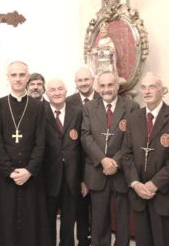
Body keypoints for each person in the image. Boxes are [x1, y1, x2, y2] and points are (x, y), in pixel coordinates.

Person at [122, 72, 169, 246]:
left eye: (151, 86)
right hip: (140, 195)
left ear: (163, 90)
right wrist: (135, 183)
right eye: (143, 87)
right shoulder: (133, 118)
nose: (146, 91)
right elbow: (126, 154)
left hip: (166, 196)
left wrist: (154, 184)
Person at [0, 61, 50, 246]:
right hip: (4, 176)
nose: (18, 79)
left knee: (30, 221)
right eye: (14, 75)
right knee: (5, 221)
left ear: (28, 78)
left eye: (22, 75)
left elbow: (41, 142)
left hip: (31, 176)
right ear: (8, 78)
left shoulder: (37, 107)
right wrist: (10, 171)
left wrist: (29, 170)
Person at [81, 71, 139, 246]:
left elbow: (133, 138)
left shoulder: (131, 107)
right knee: (99, 218)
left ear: (117, 86)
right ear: (97, 87)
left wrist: (116, 162)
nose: (106, 89)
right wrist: (103, 160)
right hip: (97, 169)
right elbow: (85, 136)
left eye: (110, 85)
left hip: (122, 170)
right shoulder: (89, 107)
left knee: (122, 217)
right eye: (103, 85)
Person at [43, 78, 83, 246]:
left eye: (60, 89)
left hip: (71, 178)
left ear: (67, 91)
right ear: (47, 94)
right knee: (47, 222)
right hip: (47, 178)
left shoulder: (78, 112)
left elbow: (83, 148)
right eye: (53, 90)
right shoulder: (39, 112)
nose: (57, 93)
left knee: (69, 222)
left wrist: (83, 179)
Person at [66, 67, 99, 246]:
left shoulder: (103, 99)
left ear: (93, 80)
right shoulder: (68, 102)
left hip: (99, 160)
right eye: (80, 80)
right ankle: (82, 240)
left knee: (99, 207)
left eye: (87, 79)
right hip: (77, 161)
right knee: (80, 205)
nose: (84, 83)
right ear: (75, 83)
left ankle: (97, 239)